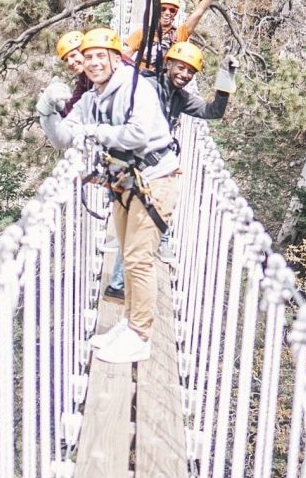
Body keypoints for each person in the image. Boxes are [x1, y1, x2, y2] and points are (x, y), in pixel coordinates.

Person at [36, 27, 180, 364]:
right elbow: (63, 138)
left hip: (154, 179)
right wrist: (47, 112)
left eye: (102, 55)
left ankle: (141, 335)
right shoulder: (90, 99)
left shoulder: (136, 89)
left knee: (138, 258)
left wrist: (93, 131)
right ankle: (130, 324)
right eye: (88, 57)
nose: (94, 62)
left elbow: (138, 135)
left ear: (116, 58)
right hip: (124, 181)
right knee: (127, 256)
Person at [103, 41, 237, 299]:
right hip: (135, 165)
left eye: (190, 72)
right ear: (168, 64)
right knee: (141, 226)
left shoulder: (178, 97)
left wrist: (225, 77)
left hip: (149, 168)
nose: (184, 75)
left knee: (139, 226)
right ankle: (119, 285)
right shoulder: (149, 87)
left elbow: (213, 111)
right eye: (181, 68)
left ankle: (120, 283)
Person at [123, 0, 225, 64]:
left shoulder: (179, 34)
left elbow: (198, 12)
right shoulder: (142, 34)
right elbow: (124, 57)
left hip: (165, 83)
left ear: (175, 13)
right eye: (163, 8)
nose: (167, 13)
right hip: (143, 81)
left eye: (172, 10)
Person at [54, 30, 92, 117]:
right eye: (66, 60)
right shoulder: (84, 78)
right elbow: (73, 106)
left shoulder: (102, 72)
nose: (70, 62)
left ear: (85, 52)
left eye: (73, 55)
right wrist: (57, 105)